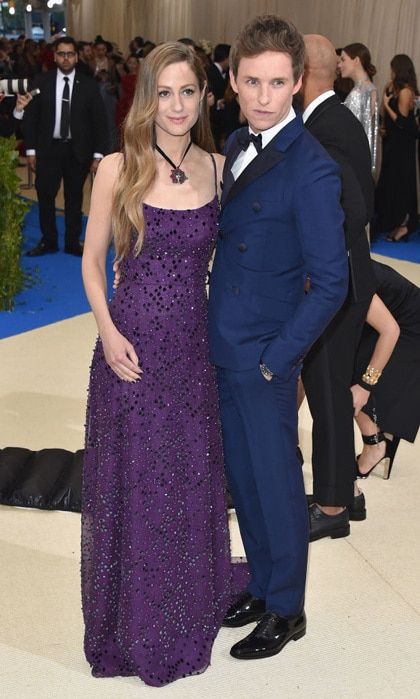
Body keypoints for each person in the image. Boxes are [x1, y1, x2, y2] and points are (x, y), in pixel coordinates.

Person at [81, 41, 247, 687]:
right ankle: (132, 621)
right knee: (136, 481)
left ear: (204, 95)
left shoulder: (217, 165)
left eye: (188, 92)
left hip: (192, 349)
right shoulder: (118, 167)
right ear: (147, 97)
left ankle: (180, 608)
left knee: (183, 478)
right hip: (130, 350)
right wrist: (106, 327)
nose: (176, 106)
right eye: (165, 93)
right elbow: (93, 261)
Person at [208, 15, 348, 660]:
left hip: (263, 357)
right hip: (224, 347)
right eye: (252, 81)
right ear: (234, 81)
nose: (264, 95)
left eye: (278, 83)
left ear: (298, 84)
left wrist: (278, 360)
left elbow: (331, 283)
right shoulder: (238, 141)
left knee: (277, 483)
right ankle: (262, 585)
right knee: (246, 477)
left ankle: (287, 608)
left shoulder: (312, 168)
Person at [299, 34, 375, 541]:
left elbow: (351, 210)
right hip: (346, 275)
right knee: (328, 391)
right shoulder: (334, 120)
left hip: (335, 281)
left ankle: (331, 507)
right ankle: (346, 490)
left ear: (301, 75)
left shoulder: (327, 128)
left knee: (326, 395)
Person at [22, 36, 107, 256]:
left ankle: (72, 242)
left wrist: (98, 155)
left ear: (77, 57)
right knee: (46, 196)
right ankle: (48, 241)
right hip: (48, 149)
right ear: (54, 56)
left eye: (70, 54)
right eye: (61, 54)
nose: (66, 58)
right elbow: (31, 117)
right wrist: (30, 150)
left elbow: (99, 122)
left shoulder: (89, 85)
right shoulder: (41, 81)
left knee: (74, 198)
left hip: (77, 151)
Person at [353, 260, 420, 478]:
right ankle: (384, 438)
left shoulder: (345, 277)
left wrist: (365, 385)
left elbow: (391, 330)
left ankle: (376, 445)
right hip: (395, 312)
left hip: (410, 322)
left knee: (347, 373)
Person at [375, 55, 419, 242]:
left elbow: (402, 121)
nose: (390, 71)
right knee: (390, 182)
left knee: (401, 183)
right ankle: (392, 222)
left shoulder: (406, 92)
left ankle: (404, 224)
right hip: (392, 144)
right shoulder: (393, 88)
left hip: (402, 147)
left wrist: (385, 104)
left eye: (393, 68)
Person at [339, 43, 378, 171]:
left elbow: (349, 133)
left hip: (353, 164)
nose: (339, 65)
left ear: (356, 61)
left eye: (343, 60)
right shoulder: (369, 88)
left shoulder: (358, 93)